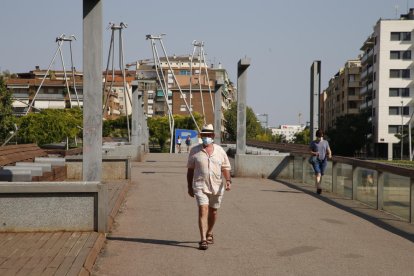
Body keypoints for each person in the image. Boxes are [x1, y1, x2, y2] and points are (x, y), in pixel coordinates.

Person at [187, 124, 231, 250]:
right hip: (200, 185)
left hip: (217, 186)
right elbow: (190, 170)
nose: (206, 137)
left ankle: (210, 231)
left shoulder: (220, 151)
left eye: (209, 135)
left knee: (213, 211)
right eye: (204, 135)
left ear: (213, 136)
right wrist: (189, 187)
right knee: (203, 209)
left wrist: (228, 180)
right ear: (201, 136)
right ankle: (203, 240)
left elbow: (226, 167)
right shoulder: (194, 151)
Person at [309, 129, 332, 195]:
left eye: (321, 137)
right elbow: (309, 151)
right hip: (316, 160)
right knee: (318, 173)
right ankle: (319, 187)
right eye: (319, 137)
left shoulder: (325, 142)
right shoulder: (313, 143)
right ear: (316, 136)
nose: (320, 138)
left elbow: (329, 150)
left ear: (322, 136)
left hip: (324, 160)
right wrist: (314, 153)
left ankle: (318, 186)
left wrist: (330, 154)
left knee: (321, 173)